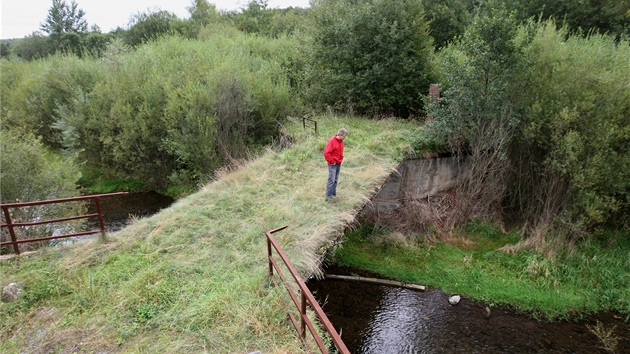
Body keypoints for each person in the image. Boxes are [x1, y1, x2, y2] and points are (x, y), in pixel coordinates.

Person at [323, 128, 348, 202]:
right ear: (340, 135)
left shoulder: (341, 142)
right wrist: (331, 161)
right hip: (333, 164)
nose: (345, 138)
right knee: (331, 180)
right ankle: (328, 197)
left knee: (335, 180)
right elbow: (326, 153)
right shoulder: (332, 141)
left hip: (338, 163)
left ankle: (333, 194)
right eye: (344, 136)